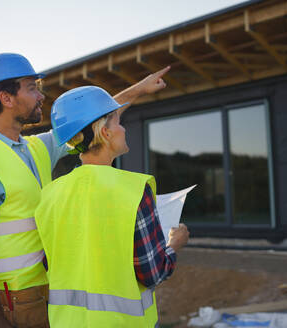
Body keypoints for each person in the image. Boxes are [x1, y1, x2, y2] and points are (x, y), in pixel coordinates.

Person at [0, 53, 170, 328]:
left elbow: (92, 123)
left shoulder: (37, 148)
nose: (41, 96)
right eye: (32, 88)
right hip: (15, 300)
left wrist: (139, 89)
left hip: (50, 292)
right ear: (6, 98)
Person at [34, 86, 190, 327]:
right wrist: (174, 245)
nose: (124, 128)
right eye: (119, 122)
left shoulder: (50, 194)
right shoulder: (134, 189)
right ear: (105, 133)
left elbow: (51, 263)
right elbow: (153, 273)